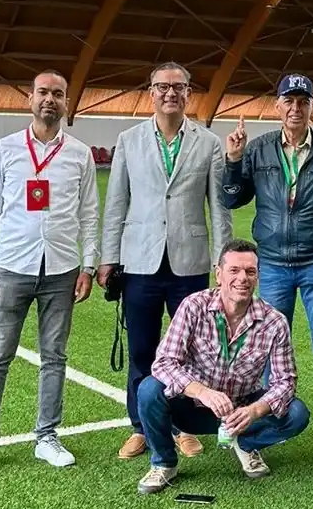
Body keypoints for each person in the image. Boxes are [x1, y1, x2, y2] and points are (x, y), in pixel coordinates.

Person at [0, 70, 99, 477]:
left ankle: (47, 436)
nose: (50, 100)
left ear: (66, 102)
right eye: (43, 93)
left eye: (58, 94)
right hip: (11, 269)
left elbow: (89, 214)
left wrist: (87, 265)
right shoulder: (4, 150)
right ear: (30, 99)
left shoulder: (79, 154)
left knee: (54, 356)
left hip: (61, 270)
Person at [222, 74, 313, 466]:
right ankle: (271, 424)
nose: (296, 108)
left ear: (312, 106)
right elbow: (233, 199)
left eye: (303, 101)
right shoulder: (259, 148)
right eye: (289, 101)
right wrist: (234, 160)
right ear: (278, 106)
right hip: (274, 264)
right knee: (268, 351)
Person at [99, 62, 232, 462]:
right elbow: (116, 202)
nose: (169, 93)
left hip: (189, 264)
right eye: (162, 87)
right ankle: (141, 426)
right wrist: (109, 258)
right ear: (150, 92)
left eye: (177, 87)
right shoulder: (129, 140)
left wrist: (221, 263)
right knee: (142, 349)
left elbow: (219, 208)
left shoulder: (208, 143)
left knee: (189, 352)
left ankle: (182, 426)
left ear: (189, 92)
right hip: (139, 261)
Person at [135, 239, 311, 494]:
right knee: (149, 390)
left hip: (241, 408)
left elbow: (285, 381)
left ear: (258, 276)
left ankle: (247, 443)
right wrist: (203, 392)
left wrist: (253, 411)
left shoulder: (274, 322)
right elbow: (164, 362)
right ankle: (164, 463)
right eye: (234, 270)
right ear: (218, 274)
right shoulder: (194, 306)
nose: (243, 278)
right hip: (193, 407)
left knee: (297, 413)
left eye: (250, 272)